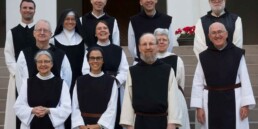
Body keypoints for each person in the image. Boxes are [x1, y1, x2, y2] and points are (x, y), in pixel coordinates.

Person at [190, 22, 256, 129]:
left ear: (226, 34)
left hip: (235, 100)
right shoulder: (203, 57)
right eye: (214, 33)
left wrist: (245, 104)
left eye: (220, 32)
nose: (217, 35)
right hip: (210, 102)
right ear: (209, 37)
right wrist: (199, 107)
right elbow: (197, 83)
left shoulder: (237, 54)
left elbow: (245, 79)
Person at [120, 33, 182, 129]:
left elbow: (173, 98)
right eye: (144, 44)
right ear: (139, 48)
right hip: (139, 123)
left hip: (162, 122)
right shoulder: (133, 71)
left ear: (157, 47)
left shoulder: (167, 70)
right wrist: (129, 125)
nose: (148, 47)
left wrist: (172, 124)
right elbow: (128, 98)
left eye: (151, 43)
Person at [82, 20, 128, 129]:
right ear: (95, 33)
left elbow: (125, 70)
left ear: (110, 32)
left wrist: (114, 82)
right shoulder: (89, 50)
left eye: (105, 28)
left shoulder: (118, 50)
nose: (102, 30)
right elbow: (85, 70)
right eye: (99, 28)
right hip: (94, 89)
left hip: (115, 88)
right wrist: (98, 82)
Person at [14, 50, 71, 129]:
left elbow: (66, 107)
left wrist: (48, 110)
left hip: (54, 125)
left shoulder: (61, 83)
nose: (43, 64)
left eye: (46, 61)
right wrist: (33, 110)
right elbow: (18, 106)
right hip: (31, 124)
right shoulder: (27, 83)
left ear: (52, 64)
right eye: (40, 61)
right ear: (36, 64)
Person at [50, 9, 85, 129]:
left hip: (79, 82)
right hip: (60, 82)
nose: (70, 21)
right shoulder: (53, 40)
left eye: (73, 19)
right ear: (62, 21)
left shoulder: (83, 40)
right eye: (67, 19)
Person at [16, 19, 72, 93]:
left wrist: (61, 96)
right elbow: (19, 78)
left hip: (54, 99)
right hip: (30, 99)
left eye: (45, 30)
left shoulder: (60, 54)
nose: (42, 33)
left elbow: (67, 78)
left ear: (51, 34)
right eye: (39, 30)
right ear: (34, 33)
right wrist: (25, 99)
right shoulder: (24, 54)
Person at [4, 0, 36, 129]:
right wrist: (18, 74)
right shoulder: (12, 32)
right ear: (20, 10)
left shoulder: (40, 30)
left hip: (36, 77)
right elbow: (9, 55)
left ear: (34, 10)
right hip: (17, 77)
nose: (27, 10)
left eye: (30, 8)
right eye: (25, 8)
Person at [72, 47, 118, 129]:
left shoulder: (111, 81)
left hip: (102, 126)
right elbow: (75, 106)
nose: (95, 61)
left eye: (98, 58)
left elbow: (112, 107)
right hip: (83, 126)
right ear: (88, 60)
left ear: (103, 60)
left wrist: (99, 125)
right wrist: (80, 125)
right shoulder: (79, 81)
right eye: (92, 58)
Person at [154, 28, 190, 129]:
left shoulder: (176, 59)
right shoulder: (150, 59)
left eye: (164, 40)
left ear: (169, 42)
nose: (161, 42)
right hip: (154, 98)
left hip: (175, 96)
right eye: (158, 40)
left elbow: (181, 82)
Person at [128, 0, 173, 64]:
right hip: (141, 63)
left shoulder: (166, 20)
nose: (149, 0)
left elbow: (170, 44)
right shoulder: (134, 21)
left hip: (161, 63)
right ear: (140, 2)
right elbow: (131, 46)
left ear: (156, 0)